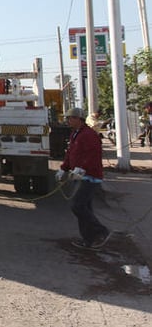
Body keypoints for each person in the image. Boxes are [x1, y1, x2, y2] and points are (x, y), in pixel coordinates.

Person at [57, 107, 111, 250]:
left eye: (70, 118)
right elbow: (71, 153)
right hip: (80, 176)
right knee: (85, 207)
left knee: (77, 205)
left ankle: (101, 231)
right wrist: (64, 168)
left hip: (89, 177)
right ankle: (89, 240)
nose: (68, 121)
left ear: (78, 119)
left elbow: (93, 155)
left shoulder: (88, 135)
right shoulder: (75, 134)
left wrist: (83, 168)